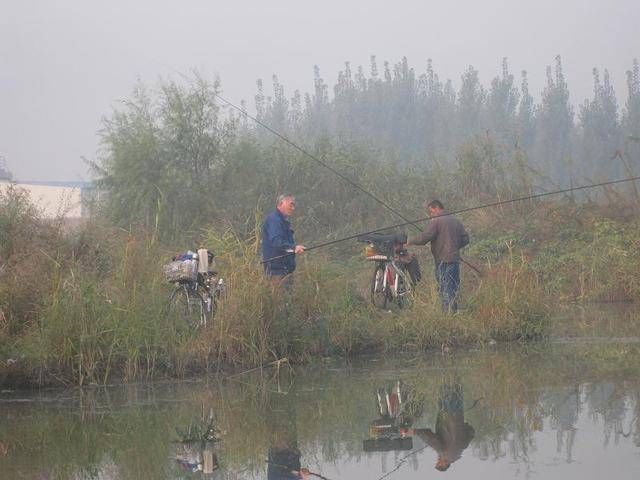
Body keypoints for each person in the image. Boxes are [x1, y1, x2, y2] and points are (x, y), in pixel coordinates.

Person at [407, 200, 468, 312]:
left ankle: (447, 315)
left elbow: (424, 238)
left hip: (442, 261)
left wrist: (410, 241)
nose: (431, 215)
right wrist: (455, 248)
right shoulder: (456, 221)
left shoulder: (436, 221)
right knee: (453, 288)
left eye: (431, 212)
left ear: (436, 208)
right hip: (454, 260)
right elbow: (465, 239)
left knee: (445, 288)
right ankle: (453, 313)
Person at [402, 379, 475, 471]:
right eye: (438, 462)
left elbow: (471, 432)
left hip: (458, 413)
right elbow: (430, 438)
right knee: (444, 381)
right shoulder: (444, 452)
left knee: (456, 383)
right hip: (446, 413)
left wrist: (462, 425)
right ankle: (442, 368)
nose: (437, 459)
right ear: (444, 464)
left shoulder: (460, 450)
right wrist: (414, 432)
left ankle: (455, 369)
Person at [261, 194, 305, 286]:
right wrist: (294, 247)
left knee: (287, 300)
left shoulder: (283, 222)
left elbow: (284, 245)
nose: (293, 208)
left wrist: (293, 249)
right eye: (291, 204)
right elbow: (276, 241)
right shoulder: (274, 220)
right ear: (281, 204)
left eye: (294, 205)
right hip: (276, 272)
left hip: (285, 271)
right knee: (279, 299)